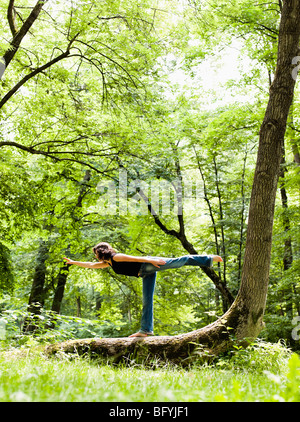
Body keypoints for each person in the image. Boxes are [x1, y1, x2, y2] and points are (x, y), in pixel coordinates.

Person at [64, 242, 223, 338]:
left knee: (179, 261)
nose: (95, 258)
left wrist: (152, 260)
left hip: (148, 264)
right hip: (146, 273)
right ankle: (146, 330)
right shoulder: (108, 263)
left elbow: (135, 258)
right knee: (147, 301)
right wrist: (73, 262)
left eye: (95, 254)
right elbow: (90, 266)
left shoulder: (116, 257)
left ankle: (208, 258)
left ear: (100, 253)